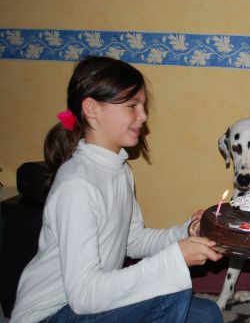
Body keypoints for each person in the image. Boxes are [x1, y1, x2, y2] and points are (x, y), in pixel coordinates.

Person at [10, 56, 223, 323]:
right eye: (132, 105)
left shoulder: (119, 170)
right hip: (51, 314)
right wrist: (174, 260)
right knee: (170, 286)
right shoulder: (77, 186)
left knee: (207, 314)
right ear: (92, 109)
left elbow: (132, 240)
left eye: (143, 105)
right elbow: (84, 294)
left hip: (85, 306)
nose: (143, 116)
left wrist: (188, 233)